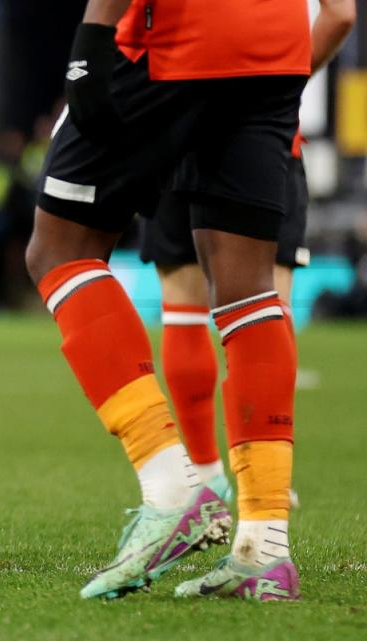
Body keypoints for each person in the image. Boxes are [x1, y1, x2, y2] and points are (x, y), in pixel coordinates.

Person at [27, 0, 312, 600]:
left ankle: (172, 486)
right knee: (247, 291)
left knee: (58, 250)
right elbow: (338, 11)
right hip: (278, 45)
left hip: (181, 34)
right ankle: (265, 548)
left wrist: (92, 34)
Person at [139, 0, 356, 501]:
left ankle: (203, 473)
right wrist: (281, 84)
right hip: (267, 131)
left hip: (173, 120)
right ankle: (265, 481)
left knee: (183, 310)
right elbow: (341, 15)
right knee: (265, 310)